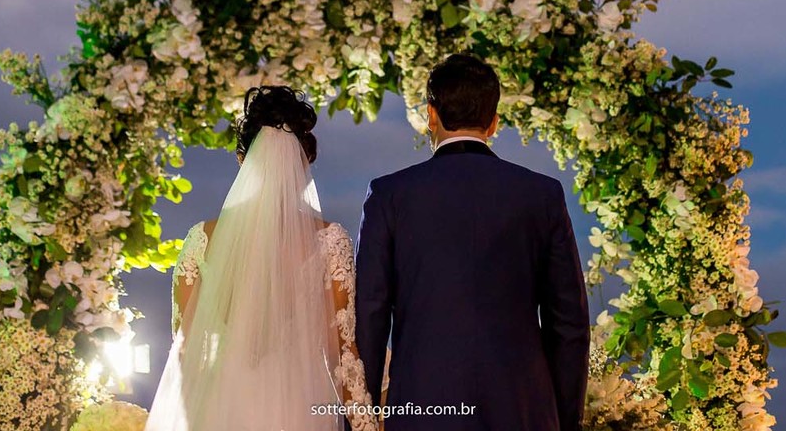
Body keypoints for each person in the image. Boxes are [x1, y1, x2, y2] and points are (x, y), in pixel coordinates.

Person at [354, 53, 590, 431]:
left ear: (431, 113)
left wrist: (360, 419)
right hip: (524, 410)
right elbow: (569, 324)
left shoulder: (389, 195)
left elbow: (369, 316)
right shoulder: (542, 195)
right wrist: (564, 419)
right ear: (494, 122)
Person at [145, 85, 379, 431]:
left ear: (244, 160)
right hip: (300, 409)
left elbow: (183, 351)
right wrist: (366, 426)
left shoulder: (202, 240)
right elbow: (344, 356)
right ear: (304, 161)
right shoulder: (331, 241)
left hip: (221, 410)